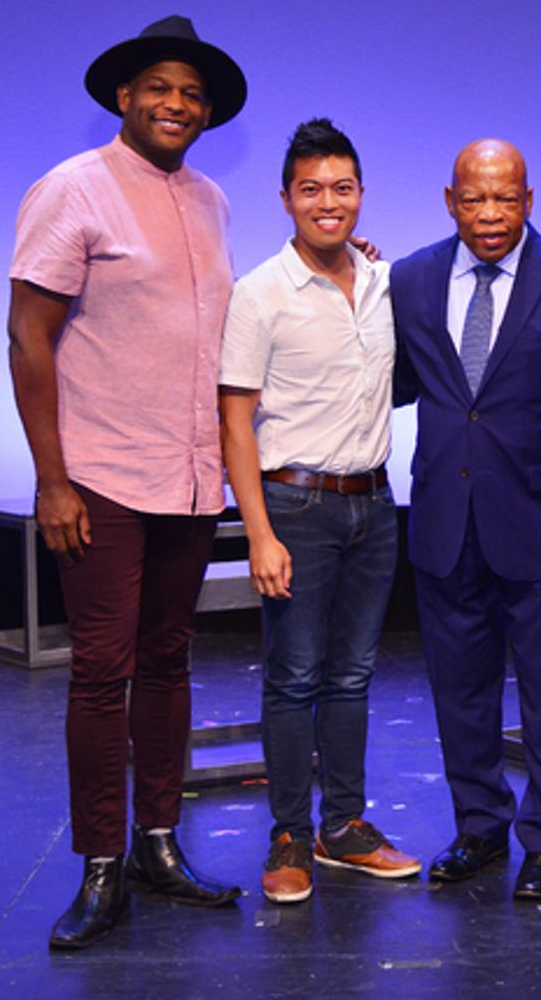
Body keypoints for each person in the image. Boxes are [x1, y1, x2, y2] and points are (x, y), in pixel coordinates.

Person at [7, 15, 246, 950]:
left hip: (188, 477)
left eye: (192, 93)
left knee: (171, 661)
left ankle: (157, 842)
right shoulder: (73, 188)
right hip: (100, 476)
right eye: (160, 87)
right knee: (103, 674)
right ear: (123, 96)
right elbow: (29, 336)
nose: (177, 104)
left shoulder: (214, 200)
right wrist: (52, 479)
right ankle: (101, 864)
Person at [391, 139, 541, 900]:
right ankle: (480, 826)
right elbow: (393, 382)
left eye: (506, 198)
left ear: (530, 200)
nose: (490, 214)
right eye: (474, 198)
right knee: (459, 689)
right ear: (450, 199)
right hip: (443, 523)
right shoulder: (411, 277)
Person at [219, 118, 420, 906]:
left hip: (374, 502)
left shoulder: (382, 282)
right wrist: (258, 532)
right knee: (295, 675)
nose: (327, 203)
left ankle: (343, 827)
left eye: (342, 188)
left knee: (354, 675)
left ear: (361, 195)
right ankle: (289, 834)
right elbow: (234, 419)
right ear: (286, 199)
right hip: (294, 505)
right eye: (311, 190)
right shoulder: (259, 293)